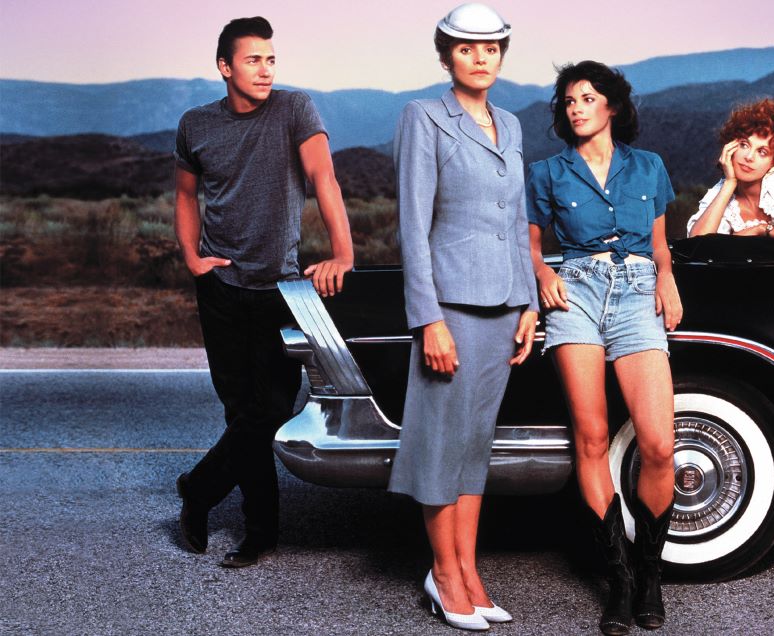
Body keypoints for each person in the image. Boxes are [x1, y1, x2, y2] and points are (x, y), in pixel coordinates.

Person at [173, 16, 353, 568]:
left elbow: (324, 179)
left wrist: (343, 253)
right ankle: (261, 531)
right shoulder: (195, 124)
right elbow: (185, 195)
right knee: (239, 411)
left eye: (270, 59)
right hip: (222, 286)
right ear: (225, 67)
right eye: (253, 60)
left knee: (271, 409)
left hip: (281, 286)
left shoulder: (295, 109)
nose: (266, 69)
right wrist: (192, 258)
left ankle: (198, 491)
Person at [386, 3, 539, 631]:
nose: (481, 58)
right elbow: (412, 226)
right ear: (447, 54)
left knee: (476, 445)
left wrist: (529, 301)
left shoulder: (511, 123)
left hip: (505, 304)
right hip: (450, 306)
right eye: (468, 48)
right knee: (440, 445)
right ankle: (442, 573)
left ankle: (469, 571)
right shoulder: (424, 117)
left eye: (492, 48)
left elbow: (518, 216)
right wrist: (428, 320)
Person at [527, 61, 682, 635]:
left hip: (640, 292)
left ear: (612, 106)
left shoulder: (650, 166)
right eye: (568, 101)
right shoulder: (547, 172)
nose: (575, 107)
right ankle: (617, 581)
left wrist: (667, 279)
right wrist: (542, 274)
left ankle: (650, 574)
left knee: (659, 443)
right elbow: (532, 244)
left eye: (587, 98)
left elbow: (661, 245)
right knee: (591, 438)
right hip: (577, 295)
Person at [687, 97, 774, 253]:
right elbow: (697, 246)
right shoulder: (721, 192)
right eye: (744, 145)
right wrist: (729, 183)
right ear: (730, 147)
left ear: (773, 161)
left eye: (762, 152)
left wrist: (762, 229)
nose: (749, 157)